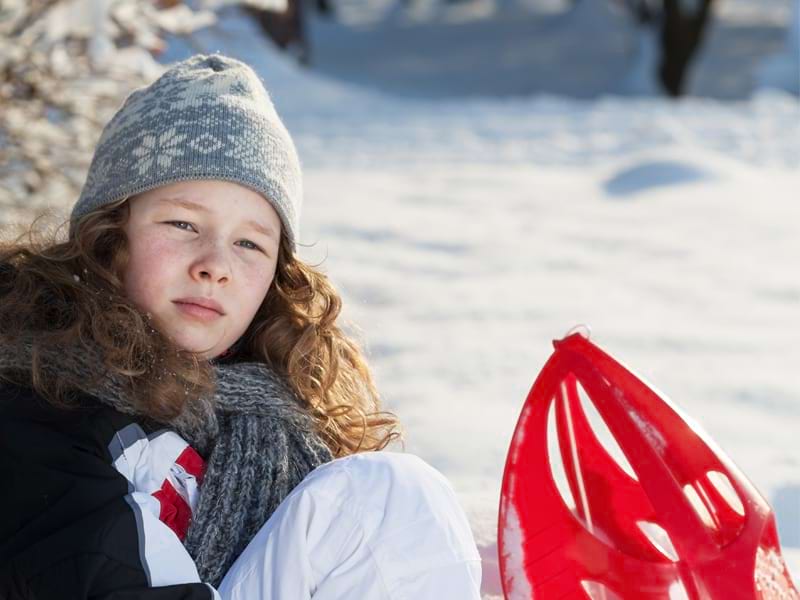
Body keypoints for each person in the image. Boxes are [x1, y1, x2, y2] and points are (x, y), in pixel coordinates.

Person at [0, 54, 482, 599]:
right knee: (386, 495)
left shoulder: (275, 429)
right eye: (182, 223)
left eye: (249, 243)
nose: (216, 264)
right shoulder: (37, 399)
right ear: (109, 235)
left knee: (388, 498)